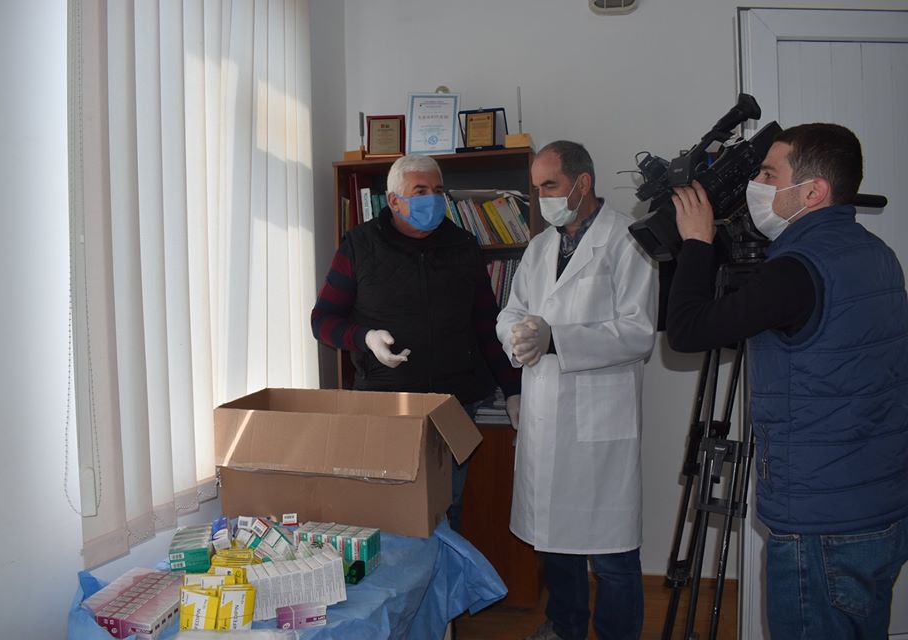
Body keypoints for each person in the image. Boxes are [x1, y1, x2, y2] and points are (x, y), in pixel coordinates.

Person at [667, 123, 908, 639]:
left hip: (820, 524)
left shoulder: (795, 272)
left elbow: (687, 331)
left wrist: (696, 243)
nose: (755, 185)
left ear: (813, 192)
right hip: (881, 505)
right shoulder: (878, 254)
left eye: (768, 174)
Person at [496, 141, 656, 640]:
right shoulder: (540, 247)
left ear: (582, 183)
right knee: (554, 540)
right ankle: (564, 628)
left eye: (551, 185)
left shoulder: (628, 239)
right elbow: (511, 310)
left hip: (599, 420)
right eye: (536, 188)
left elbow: (638, 332)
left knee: (611, 554)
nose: (541, 197)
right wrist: (518, 335)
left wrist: (556, 339)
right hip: (546, 414)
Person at [311, 154, 521, 533]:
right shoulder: (359, 245)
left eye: (438, 190)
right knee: (387, 512)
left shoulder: (463, 245)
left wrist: (513, 390)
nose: (432, 199)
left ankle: (443, 574)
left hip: (453, 404)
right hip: (386, 405)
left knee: (446, 509)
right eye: (420, 191)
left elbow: (486, 325)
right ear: (394, 200)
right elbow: (323, 320)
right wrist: (365, 338)